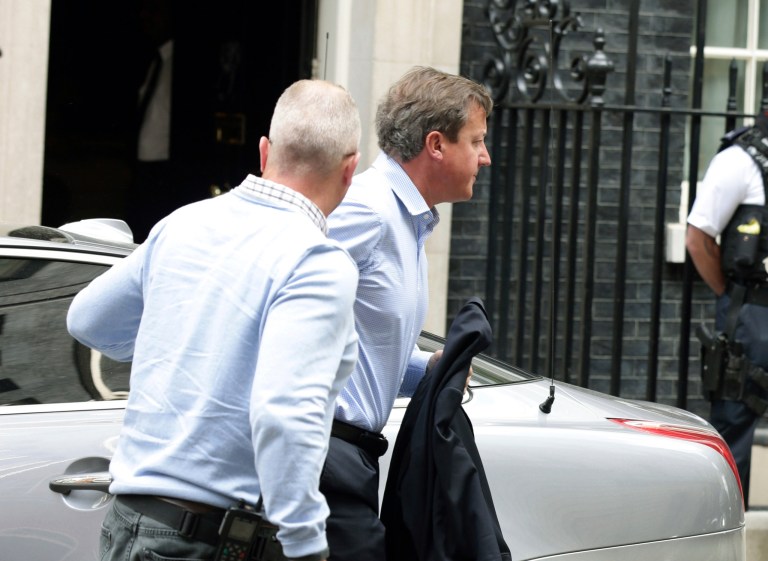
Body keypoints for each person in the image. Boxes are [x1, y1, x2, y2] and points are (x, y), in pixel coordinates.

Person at [66, 79, 362, 561]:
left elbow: (87, 320)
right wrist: (307, 544)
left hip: (128, 523)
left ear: (264, 152)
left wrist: (183, 338)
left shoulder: (182, 223)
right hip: (201, 538)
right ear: (350, 169)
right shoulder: (316, 260)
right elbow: (284, 412)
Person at [322, 65, 493, 560]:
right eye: (476, 141)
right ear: (436, 144)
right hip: (323, 458)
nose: (485, 157)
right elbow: (276, 297)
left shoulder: (407, 220)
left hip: (350, 459)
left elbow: (364, 347)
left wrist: (428, 370)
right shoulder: (367, 209)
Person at [686, 110, 768, 508]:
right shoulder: (740, 159)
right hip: (752, 313)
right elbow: (698, 237)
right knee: (734, 431)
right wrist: (731, 293)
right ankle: (729, 531)